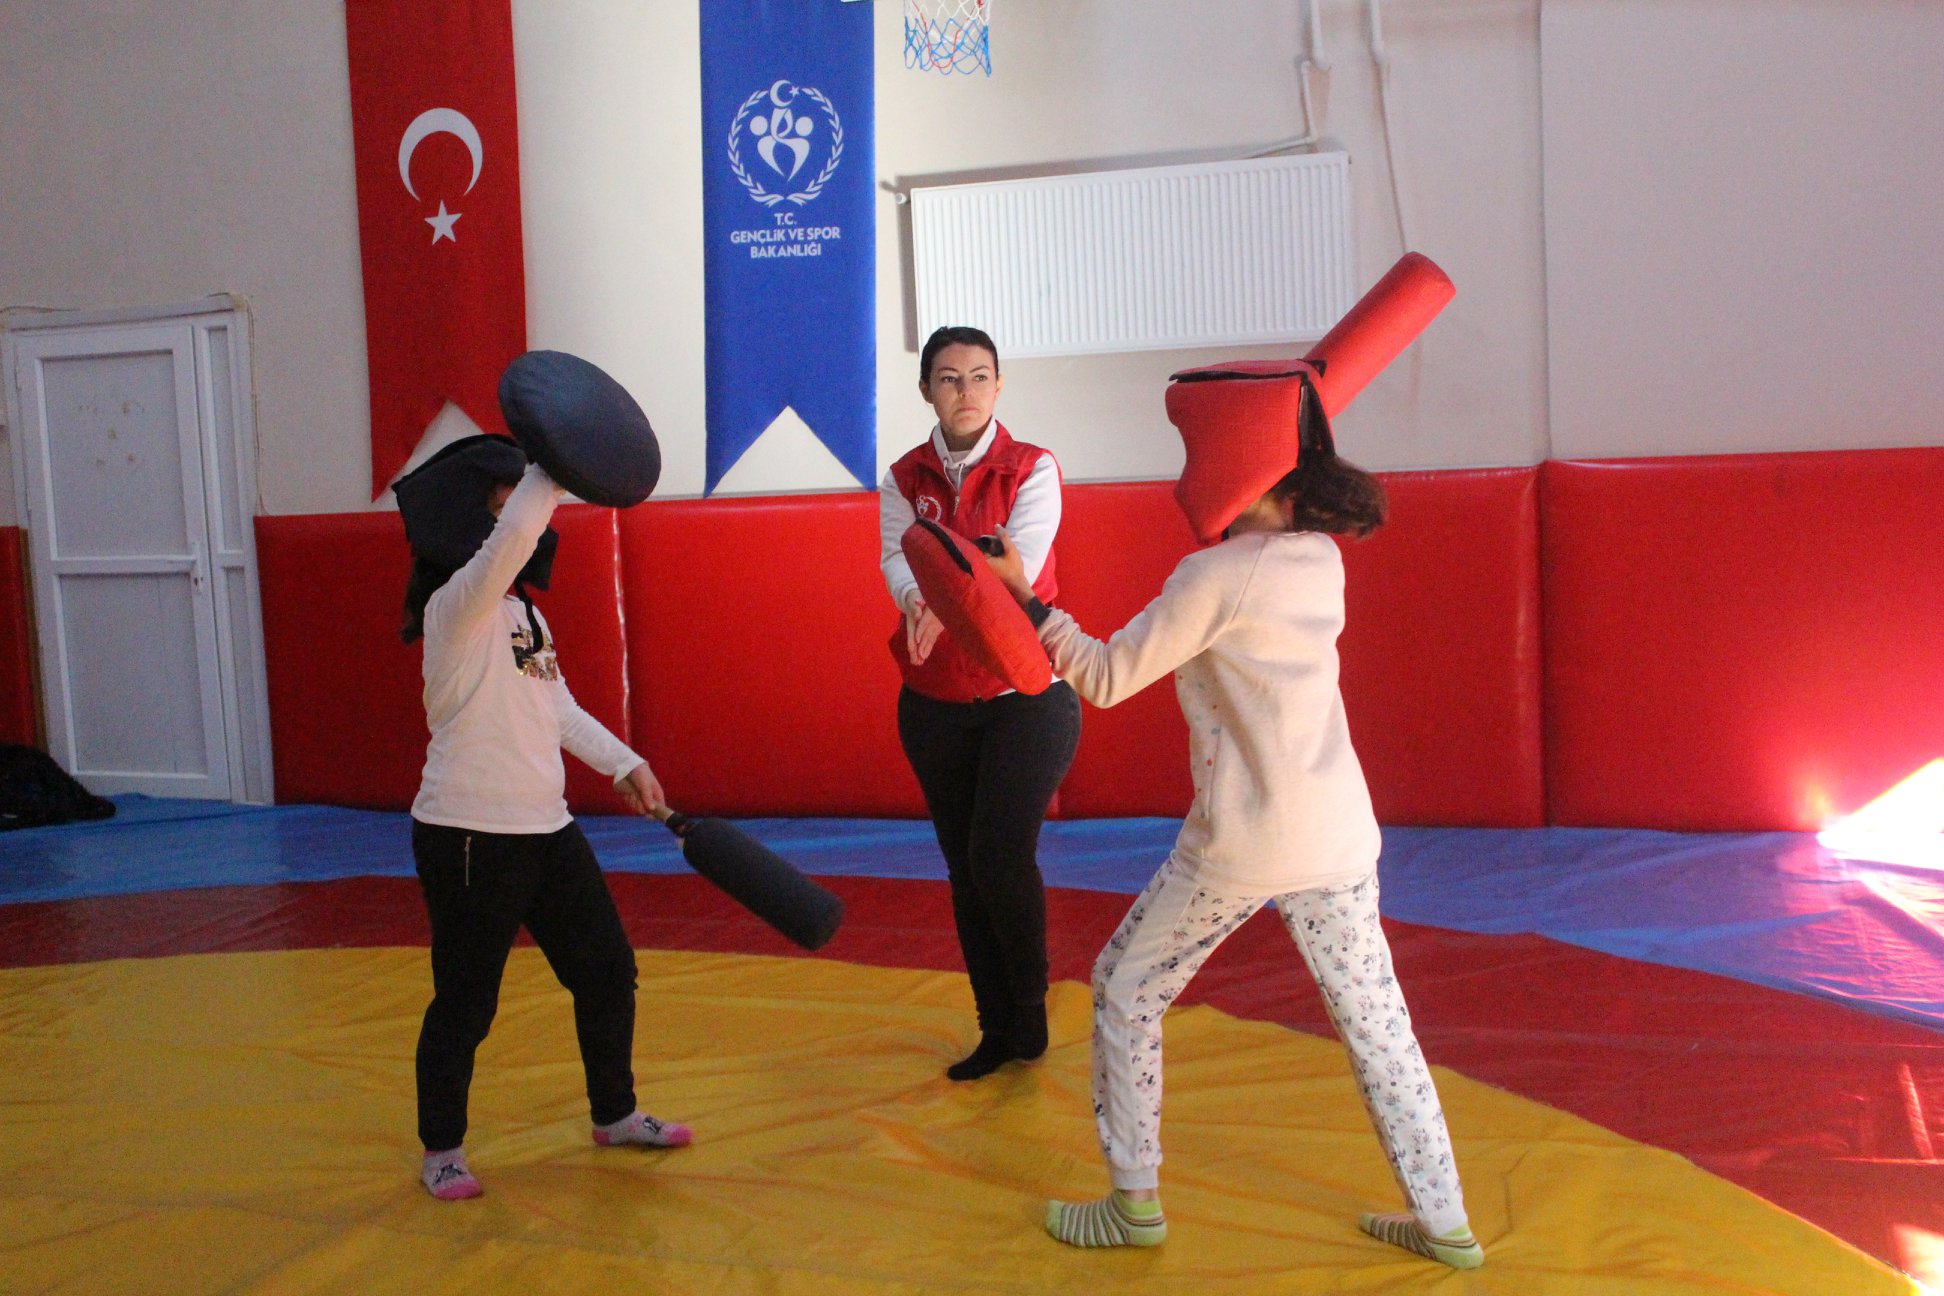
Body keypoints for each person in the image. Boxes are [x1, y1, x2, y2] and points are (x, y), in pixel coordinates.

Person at [983, 374, 1482, 1268]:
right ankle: (1444, 1218)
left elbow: (1104, 676)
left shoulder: (1214, 576)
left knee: (1126, 988)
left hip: (1244, 843)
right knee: (1379, 1028)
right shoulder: (1320, 557)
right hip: (1338, 834)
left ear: (1232, 469)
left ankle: (1133, 1203)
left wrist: (1025, 601)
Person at [394, 435, 691, 1202]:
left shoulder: (524, 612)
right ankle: (442, 1150)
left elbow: (555, 706)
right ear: (471, 521)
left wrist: (624, 761)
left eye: (513, 497)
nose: (515, 514)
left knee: (607, 970)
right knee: (466, 1002)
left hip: (546, 831)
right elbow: (514, 539)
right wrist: (554, 465)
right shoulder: (456, 607)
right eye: (499, 501)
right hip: (467, 834)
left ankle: (614, 1114)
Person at [878, 326, 1082, 1081]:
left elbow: (1012, 563)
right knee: (965, 869)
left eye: (979, 376)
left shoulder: (1033, 466)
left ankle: (1028, 1015)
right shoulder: (904, 476)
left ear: (999, 386)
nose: (965, 391)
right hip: (934, 701)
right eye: (949, 378)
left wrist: (943, 589)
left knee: (999, 856)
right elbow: (897, 555)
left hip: (1025, 695)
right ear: (926, 390)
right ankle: (994, 1026)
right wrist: (917, 597)